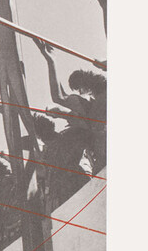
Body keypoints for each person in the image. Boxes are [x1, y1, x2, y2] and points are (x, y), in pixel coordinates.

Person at [34, 38, 106, 177]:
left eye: (79, 90)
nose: (79, 93)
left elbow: (59, 97)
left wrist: (51, 61)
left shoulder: (92, 104)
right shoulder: (92, 104)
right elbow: (61, 99)